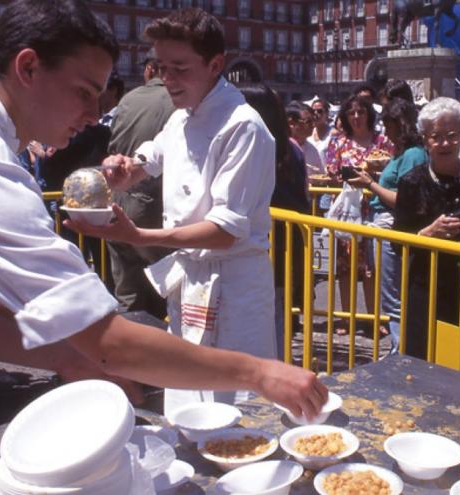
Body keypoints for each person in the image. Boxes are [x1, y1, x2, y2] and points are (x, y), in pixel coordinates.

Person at [0, 0, 325, 488]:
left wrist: (69, 357)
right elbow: (107, 341)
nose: (95, 113)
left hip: (228, 277)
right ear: (27, 67)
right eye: (84, 91)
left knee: (230, 416)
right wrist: (263, 373)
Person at [68, 7, 285, 412]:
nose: (167, 79)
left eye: (179, 68)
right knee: (189, 394)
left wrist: (139, 237)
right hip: (192, 280)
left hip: (233, 282)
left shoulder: (243, 127)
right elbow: (149, 159)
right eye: (161, 67)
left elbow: (225, 230)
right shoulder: (182, 117)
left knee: (237, 404)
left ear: (215, 64)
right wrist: (121, 170)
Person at [393, 97, 460, 359]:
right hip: (426, 289)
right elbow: (395, 241)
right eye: (436, 136)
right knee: (422, 361)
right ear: (425, 140)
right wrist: (427, 233)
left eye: (451, 135)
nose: (445, 143)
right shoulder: (411, 182)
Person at [347, 97, 427, 353]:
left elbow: (403, 199)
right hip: (386, 223)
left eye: (388, 125)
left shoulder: (412, 155)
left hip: (391, 225)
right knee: (393, 297)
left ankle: (400, 351)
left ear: (398, 124)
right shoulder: (405, 153)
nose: (386, 132)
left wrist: (370, 183)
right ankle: (399, 348)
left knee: (394, 298)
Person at [106, 48, 176, 319]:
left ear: (149, 69)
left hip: (119, 203)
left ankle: (130, 356)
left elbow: (113, 145)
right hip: (154, 210)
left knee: (128, 293)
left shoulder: (128, 99)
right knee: (164, 291)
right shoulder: (179, 103)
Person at [244, 85, 310, 361]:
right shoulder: (291, 149)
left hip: (263, 247)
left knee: (261, 316)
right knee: (277, 313)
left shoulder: (255, 148)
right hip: (286, 247)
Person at [325, 94, 392, 335]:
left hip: (374, 207)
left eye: (360, 112)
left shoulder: (381, 141)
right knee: (346, 265)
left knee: (372, 265)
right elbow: (331, 170)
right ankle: (346, 317)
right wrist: (346, 175)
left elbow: (390, 168)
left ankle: (375, 318)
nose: (356, 117)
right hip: (349, 210)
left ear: (368, 114)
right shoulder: (339, 143)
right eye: (351, 112)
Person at [286, 101, 324, 175]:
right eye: (308, 122)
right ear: (291, 123)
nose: (313, 125)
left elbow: (320, 175)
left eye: (313, 121)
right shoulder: (279, 148)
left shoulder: (312, 150)